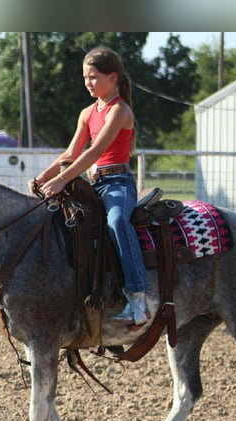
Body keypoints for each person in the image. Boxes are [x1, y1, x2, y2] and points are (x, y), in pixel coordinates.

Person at [31, 46, 151, 325]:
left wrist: (62, 179)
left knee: (117, 222)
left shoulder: (119, 111)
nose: (88, 83)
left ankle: (138, 299)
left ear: (113, 77)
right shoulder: (87, 112)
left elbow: (95, 152)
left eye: (93, 77)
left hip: (117, 183)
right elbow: (71, 153)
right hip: (92, 182)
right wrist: (44, 177)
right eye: (85, 78)